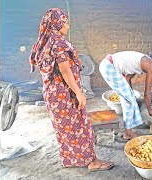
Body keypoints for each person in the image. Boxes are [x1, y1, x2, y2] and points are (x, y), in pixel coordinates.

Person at [29, 8, 114, 171]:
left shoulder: (43, 43)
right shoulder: (58, 43)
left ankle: (71, 159)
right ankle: (91, 162)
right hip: (64, 94)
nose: (67, 26)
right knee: (80, 127)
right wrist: (79, 93)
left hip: (51, 95)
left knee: (64, 129)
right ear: (57, 23)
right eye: (65, 22)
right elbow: (65, 71)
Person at [99, 51, 152, 140]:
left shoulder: (142, 60)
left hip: (106, 65)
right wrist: (150, 110)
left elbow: (127, 78)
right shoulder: (150, 66)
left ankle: (129, 129)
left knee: (130, 100)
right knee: (129, 102)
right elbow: (147, 92)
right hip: (109, 68)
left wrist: (131, 94)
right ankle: (128, 133)